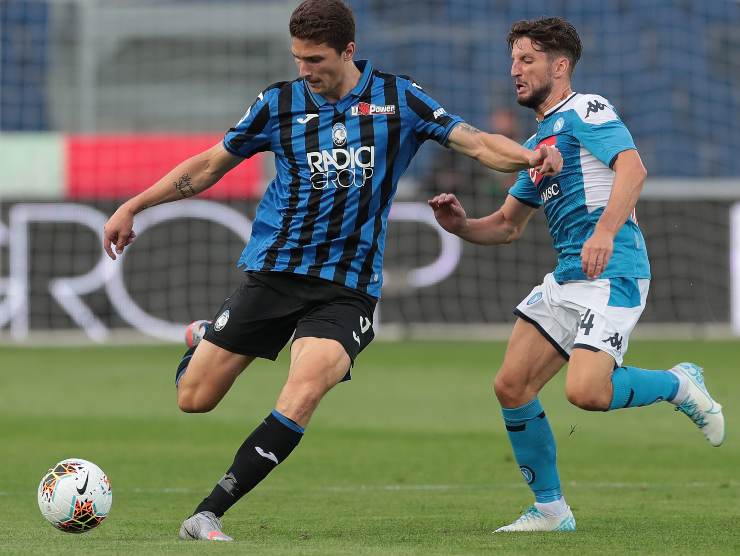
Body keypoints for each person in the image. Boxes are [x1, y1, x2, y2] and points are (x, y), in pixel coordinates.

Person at [102, 0, 562, 542]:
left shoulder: (399, 98)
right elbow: (208, 165)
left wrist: (531, 157)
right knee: (194, 399)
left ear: (349, 51)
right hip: (274, 273)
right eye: (297, 58)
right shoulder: (277, 104)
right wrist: (134, 205)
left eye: (315, 59)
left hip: (346, 288)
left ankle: (206, 514)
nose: (305, 70)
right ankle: (204, 337)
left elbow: (479, 142)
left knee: (305, 386)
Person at [428, 16, 724, 533]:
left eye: (527, 60)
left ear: (559, 66)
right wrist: (458, 225)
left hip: (613, 269)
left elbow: (633, 169)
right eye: (512, 60)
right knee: (511, 386)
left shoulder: (585, 109)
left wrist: (605, 230)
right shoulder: (539, 145)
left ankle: (679, 384)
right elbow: (504, 227)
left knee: (586, 392)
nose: (514, 71)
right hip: (568, 279)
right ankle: (550, 510)